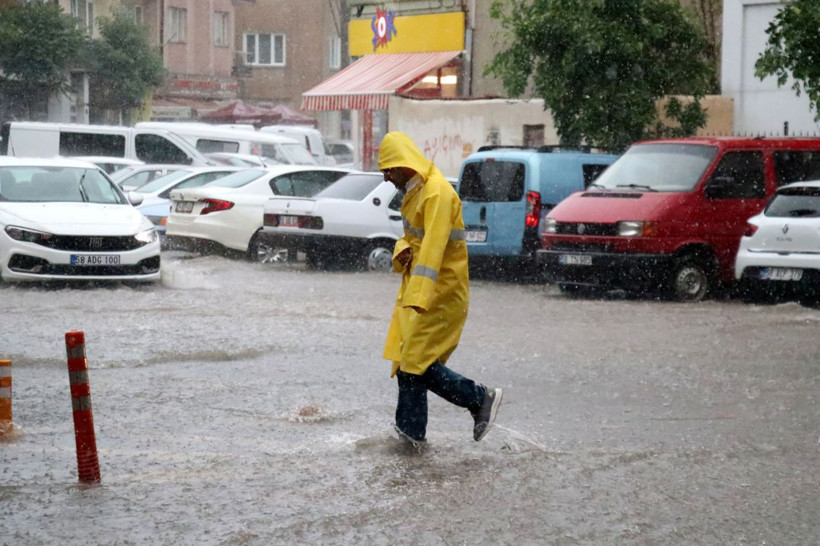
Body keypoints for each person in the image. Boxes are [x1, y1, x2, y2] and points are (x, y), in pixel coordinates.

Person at [379, 131, 503, 445]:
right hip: (423, 292)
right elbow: (414, 240)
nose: (385, 178)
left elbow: (433, 249)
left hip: (439, 293)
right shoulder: (416, 191)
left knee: (413, 367)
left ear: (404, 165)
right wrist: (400, 251)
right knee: (409, 367)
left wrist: (418, 298)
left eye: (388, 170)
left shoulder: (436, 193)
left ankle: (478, 399)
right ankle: (410, 442)